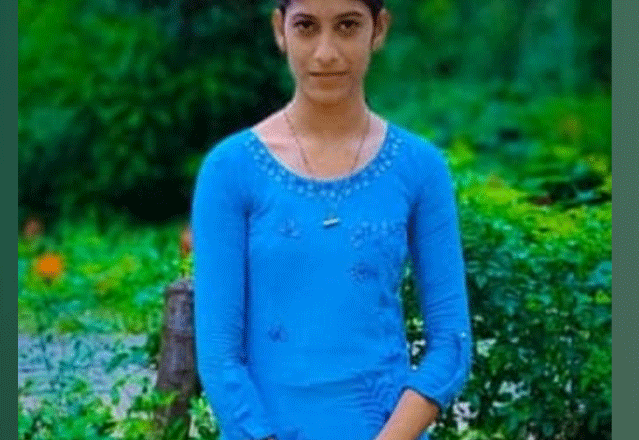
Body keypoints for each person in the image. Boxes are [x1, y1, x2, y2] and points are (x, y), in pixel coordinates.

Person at [191, 1, 473, 440]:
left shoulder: (420, 168)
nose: (326, 52)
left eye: (347, 26)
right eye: (306, 26)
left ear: (378, 29)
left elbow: (451, 345)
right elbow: (219, 357)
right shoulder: (230, 171)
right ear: (280, 30)